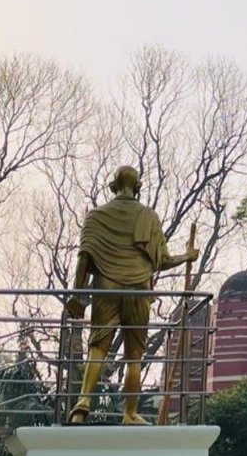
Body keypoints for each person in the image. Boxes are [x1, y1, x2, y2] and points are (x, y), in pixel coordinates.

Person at [65, 166, 198, 424]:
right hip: (138, 288)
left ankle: (83, 402)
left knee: (97, 348)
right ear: (138, 186)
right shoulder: (148, 216)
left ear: (113, 184)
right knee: (134, 354)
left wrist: (77, 296)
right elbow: (163, 260)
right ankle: (130, 413)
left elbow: (84, 257)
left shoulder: (96, 216)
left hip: (106, 286)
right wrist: (187, 257)